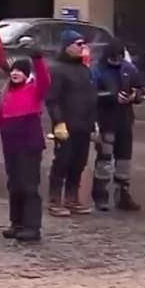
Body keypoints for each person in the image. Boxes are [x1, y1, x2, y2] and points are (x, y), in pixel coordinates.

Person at [0, 36, 49, 241]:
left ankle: (32, 227)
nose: (15, 73)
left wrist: (36, 56)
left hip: (29, 146)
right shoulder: (7, 94)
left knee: (29, 186)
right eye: (14, 70)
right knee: (14, 185)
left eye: (20, 71)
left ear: (26, 75)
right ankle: (17, 223)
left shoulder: (33, 91)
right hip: (11, 147)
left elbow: (44, 78)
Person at [45, 30, 97, 216]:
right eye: (78, 44)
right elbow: (52, 99)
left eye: (83, 44)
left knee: (79, 162)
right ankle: (55, 200)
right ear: (67, 47)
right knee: (62, 161)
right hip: (66, 125)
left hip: (84, 124)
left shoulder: (84, 70)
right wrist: (58, 122)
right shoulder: (57, 69)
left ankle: (72, 198)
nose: (83, 47)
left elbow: (91, 97)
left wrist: (93, 122)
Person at [90, 40, 143, 212]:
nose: (117, 61)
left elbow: (141, 89)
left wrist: (134, 95)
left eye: (120, 57)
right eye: (114, 58)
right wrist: (112, 97)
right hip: (106, 121)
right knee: (104, 160)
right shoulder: (97, 71)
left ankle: (122, 195)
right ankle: (100, 195)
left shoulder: (128, 69)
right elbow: (91, 96)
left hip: (125, 121)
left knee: (124, 161)